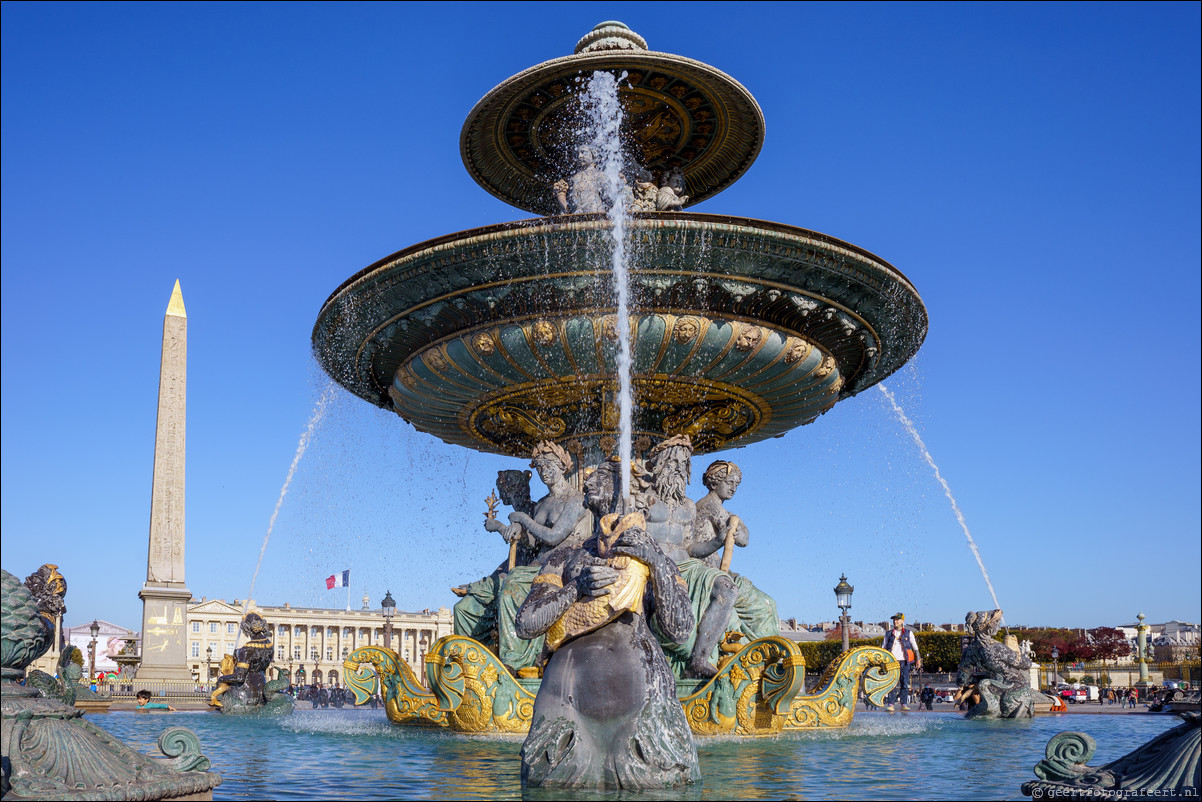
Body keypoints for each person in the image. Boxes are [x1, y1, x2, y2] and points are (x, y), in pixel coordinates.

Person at [514, 457, 699, 789]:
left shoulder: (653, 556)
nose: (586, 482)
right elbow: (526, 623)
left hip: (641, 700)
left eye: (599, 476)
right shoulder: (564, 557)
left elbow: (680, 631)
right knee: (551, 789)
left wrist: (655, 562)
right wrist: (575, 589)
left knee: (658, 788)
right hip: (564, 700)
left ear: (625, 490)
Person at [495, 441, 590, 674]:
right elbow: (535, 542)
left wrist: (524, 520)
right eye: (539, 468)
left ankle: (517, 660)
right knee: (506, 583)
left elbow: (554, 536)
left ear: (562, 465)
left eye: (548, 466)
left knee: (511, 587)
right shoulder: (543, 504)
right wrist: (511, 530)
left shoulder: (575, 500)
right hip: (539, 563)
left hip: (561, 563)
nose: (544, 472)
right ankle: (517, 654)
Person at [452, 469, 535, 648]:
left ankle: (509, 656)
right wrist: (482, 583)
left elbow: (534, 543)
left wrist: (498, 526)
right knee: (462, 608)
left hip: (530, 570)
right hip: (511, 570)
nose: (503, 496)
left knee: (500, 593)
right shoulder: (518, 513)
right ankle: (471, 659)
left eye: (504, 490)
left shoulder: (534, 510)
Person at [882, 612, 922, 712]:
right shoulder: (888, 634)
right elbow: (883, 647)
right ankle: (891, 703)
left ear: (902, 621)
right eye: (894, 620)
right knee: (892, 683)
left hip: (905, 661)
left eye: (897, 620)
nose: (895, 622)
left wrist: (918, 659)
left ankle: (903, 703)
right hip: (892, 661)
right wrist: (882, 661)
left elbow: (915, 647)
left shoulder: (909, 633)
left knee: (905, 683)